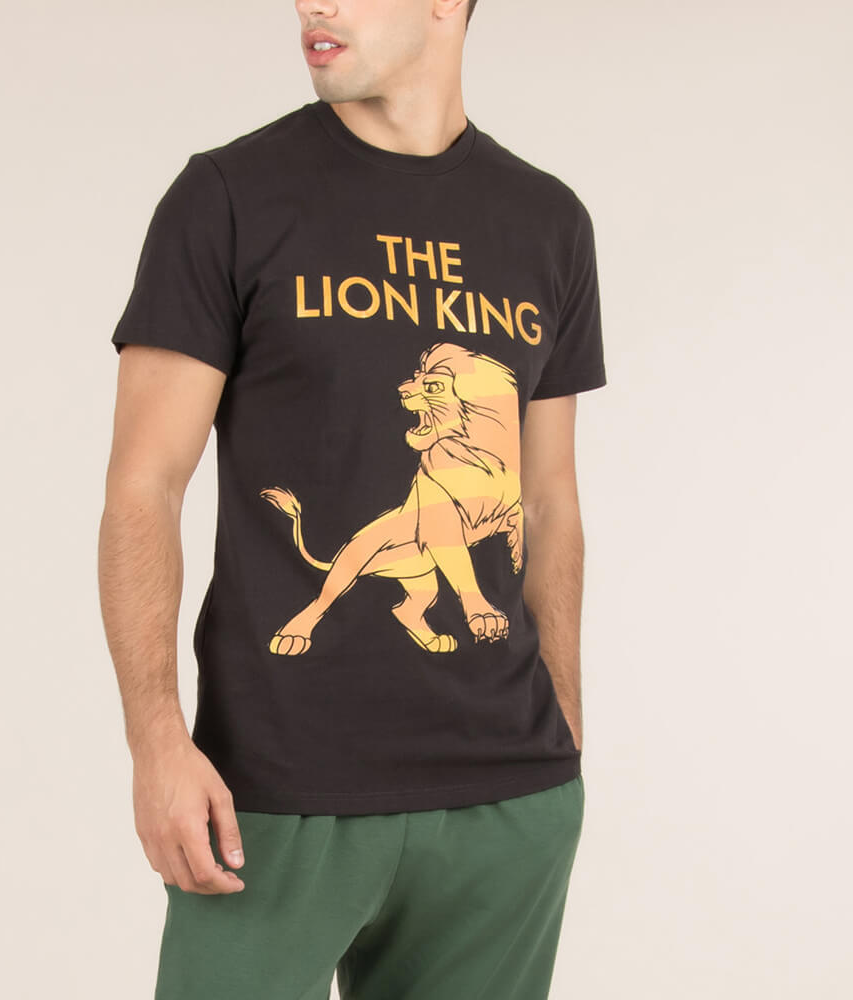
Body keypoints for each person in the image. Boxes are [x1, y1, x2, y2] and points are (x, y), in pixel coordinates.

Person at [98, 1, 607, 996]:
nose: (311, 4)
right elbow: (143, 485)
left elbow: (548, 501)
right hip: (271, 794)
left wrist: (564, 736)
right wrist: (156, 741)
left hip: (506, 800)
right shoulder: (229, 196)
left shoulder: (548, 221)